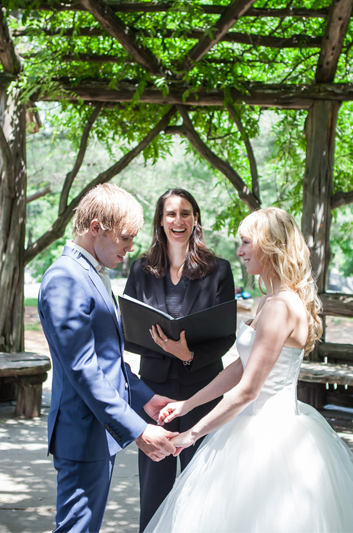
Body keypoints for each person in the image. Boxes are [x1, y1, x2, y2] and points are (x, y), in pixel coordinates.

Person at [145, 207, 353, 533]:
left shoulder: (280, 307)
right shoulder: (268, 301)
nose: (240, 251)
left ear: (271, 245)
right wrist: (187, 405)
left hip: (271, 435)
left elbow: (248, 390)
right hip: (248, 425)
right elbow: (239, 367)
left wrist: (193, 434)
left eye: (247, 242)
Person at [38, 184, 177, 533]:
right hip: (82, 433)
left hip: (99, 432)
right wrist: (139, 430)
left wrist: (146, 399)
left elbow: (108, 361)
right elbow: (84, 370)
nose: (131, 249)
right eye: (126, 238)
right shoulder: (65, 278)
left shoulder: (92, 274)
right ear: (96, 227)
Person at [122, 188, 235, 531]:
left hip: (202, 390)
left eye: (186, 213)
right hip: (154, 391)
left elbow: (225, 333)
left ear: (196, 219)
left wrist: (188, 356)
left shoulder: (219, 270)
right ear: (160, 220)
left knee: (201, 483)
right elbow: (130, 328)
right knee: (153, 486)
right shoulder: (140, 270)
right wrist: (164, 348)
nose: (178, 220)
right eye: (171, 214)